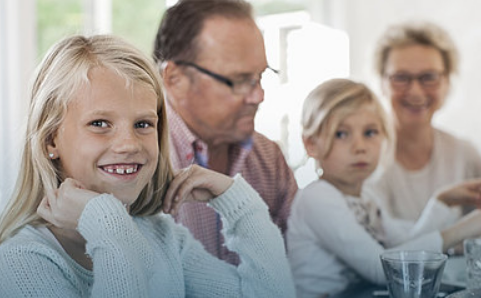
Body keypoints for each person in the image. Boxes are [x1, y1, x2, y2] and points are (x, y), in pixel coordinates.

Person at [0, 34, 296, 297]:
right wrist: (109, 228)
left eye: (143, 124)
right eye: (100, 123)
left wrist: (238, 205)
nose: (129, 144)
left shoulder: (164, 239)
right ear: (51, 139)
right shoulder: (22, 262)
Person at [287, 78, 481, 298]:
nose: (359, 147)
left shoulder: (366, 198)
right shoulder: (317, 199)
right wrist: (466, 228)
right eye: (341, 134)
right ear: (311, 144)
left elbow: (406, 245)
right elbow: (382, 268)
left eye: (370, 133)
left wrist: (442, 201)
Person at [153, 0, 298, 264]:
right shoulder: (141, 164)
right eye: (240, 80)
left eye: (261, 76)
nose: (259, 95)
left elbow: (302, 268)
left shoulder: (268, 158)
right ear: (174, 79)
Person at [367, 21, 481, 221]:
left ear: (447, 82)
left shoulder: (466, 156)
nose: (415, 92)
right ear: (382, 83)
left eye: (429, 77)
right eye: (401, 77)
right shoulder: (362, 157)